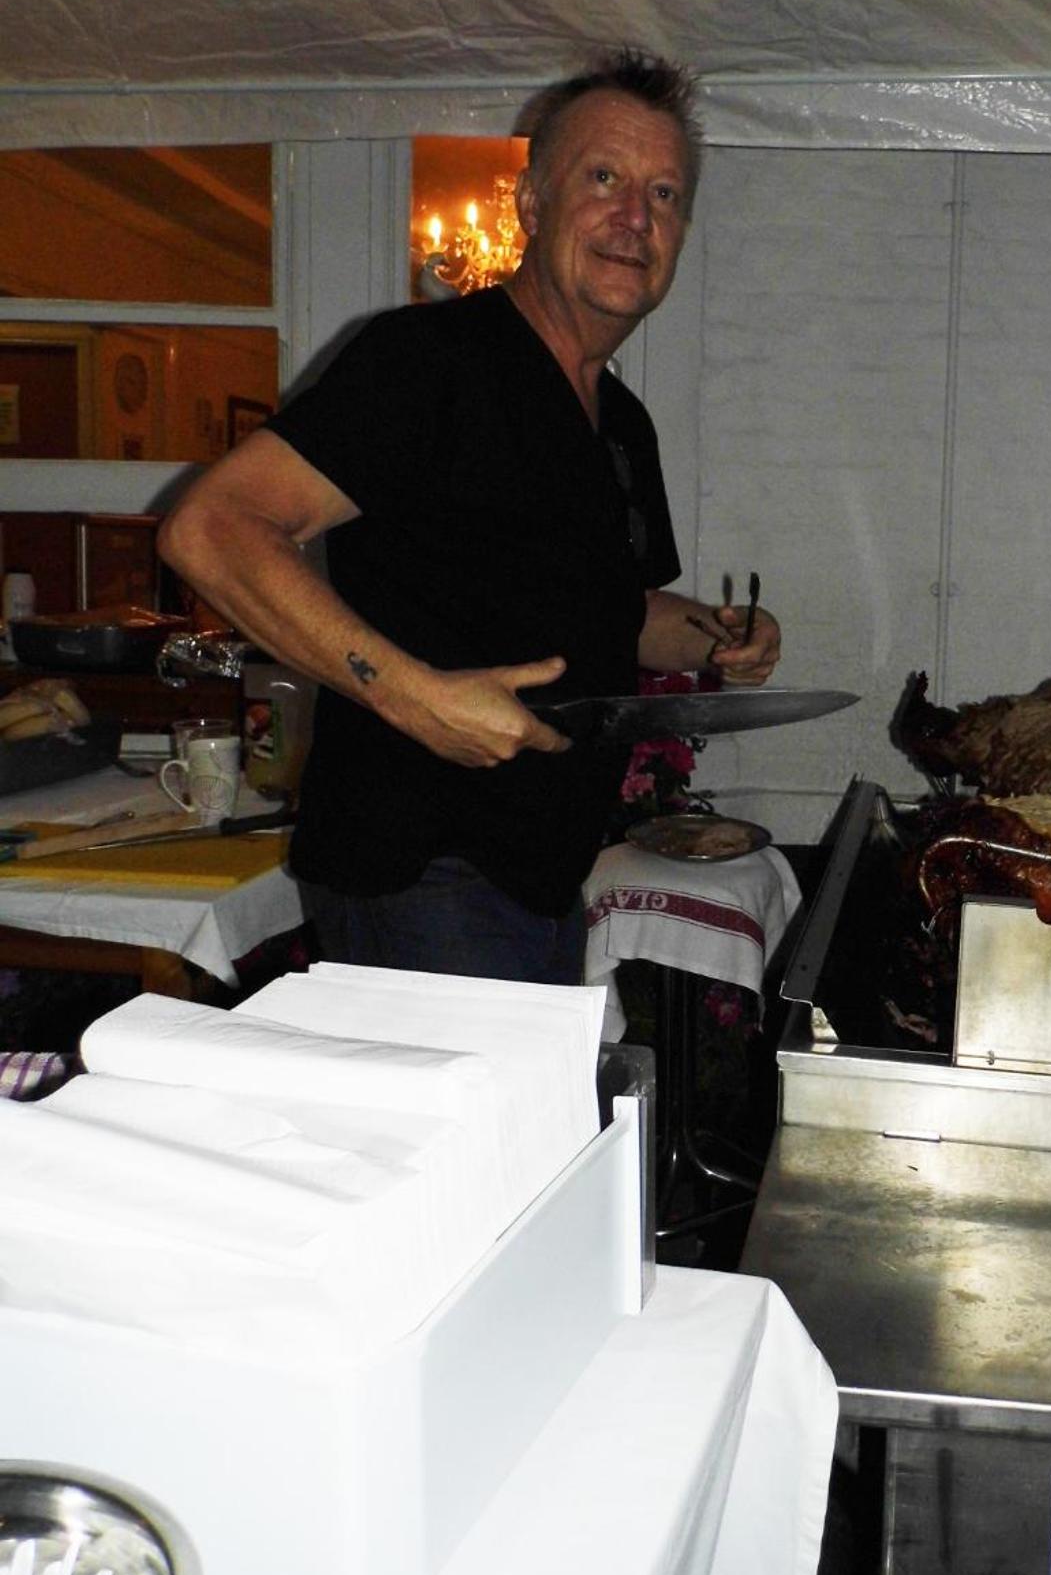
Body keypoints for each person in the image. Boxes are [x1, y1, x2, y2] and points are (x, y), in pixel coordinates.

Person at [158, 48, 780, 983]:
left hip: (546, 871)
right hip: (423, 871)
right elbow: (212, 527)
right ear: (530, 204)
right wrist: (417, 698)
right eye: (603, 179)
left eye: (664, 194)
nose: (635, 217)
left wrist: (720, 638)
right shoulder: (429, 362)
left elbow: (614, 613)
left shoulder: (623, 424)